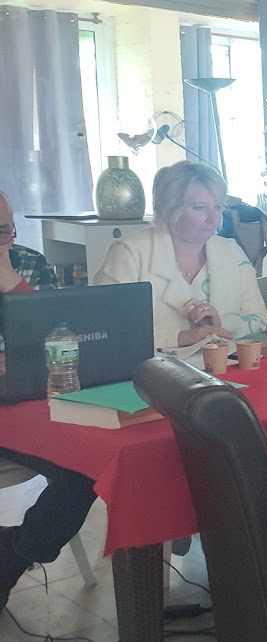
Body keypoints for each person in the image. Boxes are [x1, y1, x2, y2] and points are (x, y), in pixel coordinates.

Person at [0, 192, 100, 610]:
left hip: (28, 405)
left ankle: (16, 553)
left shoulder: (28, 263)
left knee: (88, 464)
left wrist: (11, 283)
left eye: (3, 230)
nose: (1, 240)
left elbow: (59, 336)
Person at [93, 161, 267, 348]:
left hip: (225, 362)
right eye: (200, 207)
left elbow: (260, 319)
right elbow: (106, 329)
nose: (213, 218)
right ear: (170, 209)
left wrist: (220, 324)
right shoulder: (130, 253)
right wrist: (179, 338)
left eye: (217, 207)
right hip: (150, 365)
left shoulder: (231, 251)